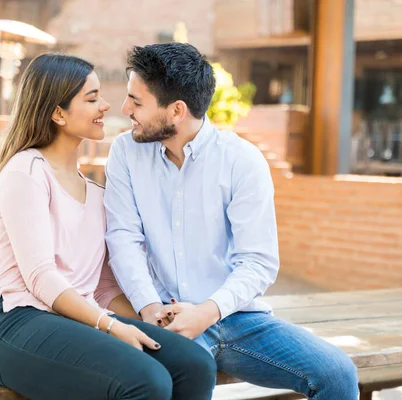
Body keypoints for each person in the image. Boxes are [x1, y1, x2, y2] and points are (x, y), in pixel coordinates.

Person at [104, 43, 359, 399]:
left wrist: (208, 312)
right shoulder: (126, 152)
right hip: (162, 316)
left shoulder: (242, 160)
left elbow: (258, 261)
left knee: (337, 372)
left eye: (136, 101)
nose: (125, 109)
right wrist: (149, 308)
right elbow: (122, 237)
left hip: (236, 317)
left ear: (176, 110)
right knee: (181, 380)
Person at [0, 53, 216, 400]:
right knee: (146, 381)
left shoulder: (97, 193)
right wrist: (111, 326)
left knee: (194, 364)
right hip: (12, 323)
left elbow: (100, 287)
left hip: (74, 320)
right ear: (58, 113)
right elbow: (41, 276)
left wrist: (152, 317)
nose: (105, 106)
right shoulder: (25, 173)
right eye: (91, 98)